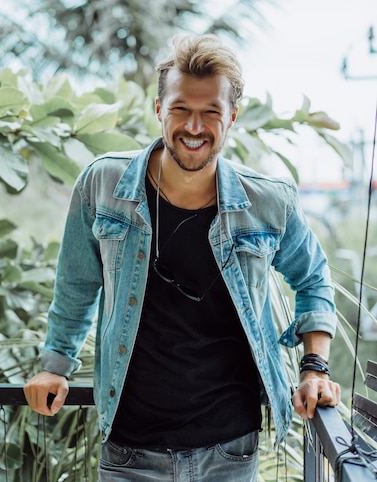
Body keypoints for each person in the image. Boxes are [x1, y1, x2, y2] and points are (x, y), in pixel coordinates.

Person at [24, 33, 341, 481]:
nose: (194, 127)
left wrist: (314, 368)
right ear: (159, 109)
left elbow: (313, 280)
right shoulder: (102, 184)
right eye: (181, 110)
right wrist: (54, 367)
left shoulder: (269, 201)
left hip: (230, 451)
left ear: (232, 116)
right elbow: (76, 285)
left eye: (211, 112)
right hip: (130, 452)